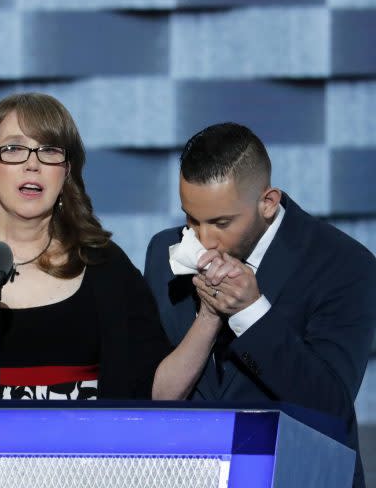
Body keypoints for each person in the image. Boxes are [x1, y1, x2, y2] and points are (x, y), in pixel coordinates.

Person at [0, 92, 222, 401]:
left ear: (66, 173)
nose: (33, 163)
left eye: (49, 151)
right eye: (13, 149)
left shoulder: (106, 267)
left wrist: (209, 316)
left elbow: (156, 393)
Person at [143, 122, 376, 487]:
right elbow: (152, 396)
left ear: (268, 203)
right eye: (191, 219)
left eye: (221, 222)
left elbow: (330, 408)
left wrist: (251, 313)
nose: (204, 240)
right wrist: (209, 316)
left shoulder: (344, 264)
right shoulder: (163, 252)